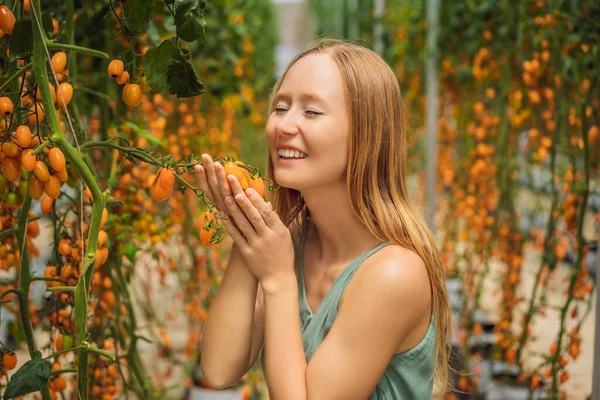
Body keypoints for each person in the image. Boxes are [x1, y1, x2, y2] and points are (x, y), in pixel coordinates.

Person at [195, 38, 451, 399]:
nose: (284, 125)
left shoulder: (394, 274)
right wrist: (244, 222)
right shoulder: (292, 241)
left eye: (312, 112)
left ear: (366, 135)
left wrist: (279, 279)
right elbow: (219, 369)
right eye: (280, 107)